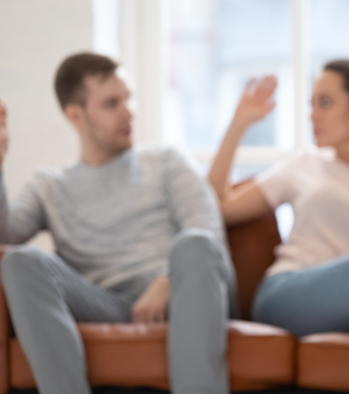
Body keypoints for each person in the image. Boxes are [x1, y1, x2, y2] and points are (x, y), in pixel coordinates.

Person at [0, 53, 236, 394]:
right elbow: (5, 237)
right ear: (75, 115)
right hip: (107, 303)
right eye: (112, 103)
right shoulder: (48, 185)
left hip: (186, 295)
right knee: (20, 261)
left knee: (196, 241)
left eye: (129, 98)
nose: (129, 112)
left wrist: (167, 280)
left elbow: (208, 234)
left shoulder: (167, 160)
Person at [208, 58, 349, 336]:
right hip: (291, 297)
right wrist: (239, 123)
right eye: (311, 104)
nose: (312, 115)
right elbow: (217, 206)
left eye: (325, 103)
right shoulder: (305, 163)